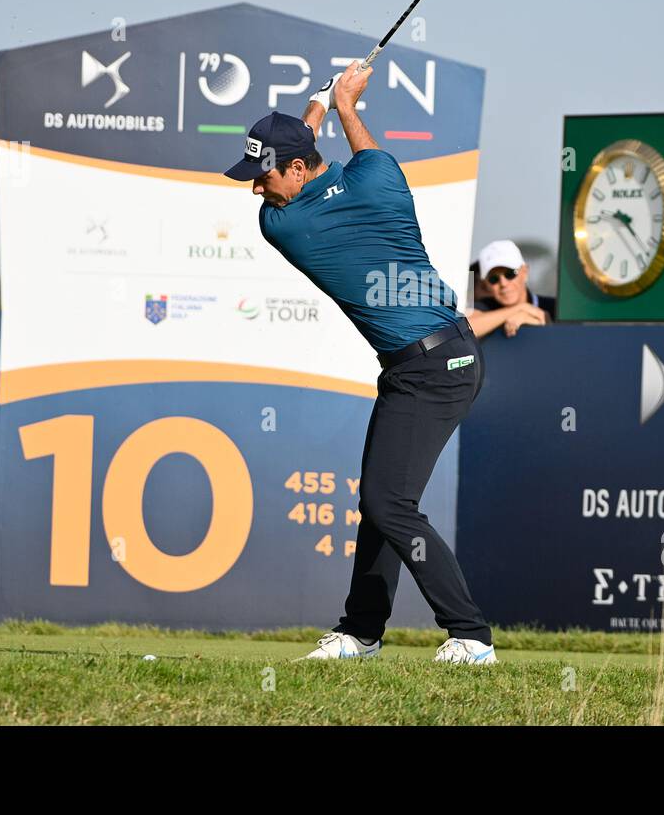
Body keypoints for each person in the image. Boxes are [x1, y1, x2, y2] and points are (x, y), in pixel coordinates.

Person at [225, 61, 496, 666]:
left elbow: (304, 152)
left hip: (434, 368)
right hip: (429, 361)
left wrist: (319, 107)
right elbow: (350, 149)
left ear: (296, 169)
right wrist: (345, 104)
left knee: (388, 503)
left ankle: (471, 635)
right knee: (382, 501)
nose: (254, 189)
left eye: (260, 175)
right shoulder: (381, 177)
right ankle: (361, 632)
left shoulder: (285, 223)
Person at [466, 239, 556, 338]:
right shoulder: (484, 307)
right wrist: (521, 308)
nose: (503, 283)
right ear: (486, 284)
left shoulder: (554, 307)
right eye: (493, 279)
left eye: (510, 274)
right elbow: (462, 328)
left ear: (525, 272)